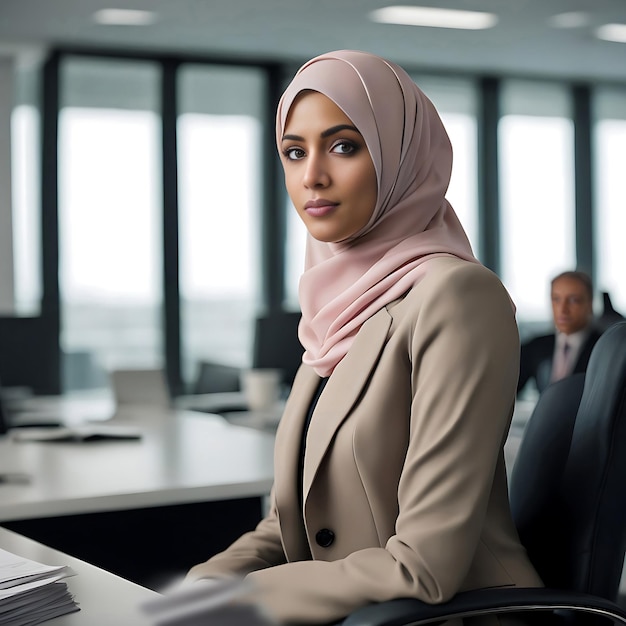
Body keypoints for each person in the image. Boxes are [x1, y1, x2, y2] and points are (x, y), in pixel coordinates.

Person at [186, 50, 542, 625]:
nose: (312, 177)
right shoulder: (332, 308)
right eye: (294, 152)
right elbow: (291, 521)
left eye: (345, 146)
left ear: (401, 156)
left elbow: (423, 566)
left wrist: (242, 600)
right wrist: (203, 585)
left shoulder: (457, 297)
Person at [517, 270, 602, 396]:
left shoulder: (605, 347)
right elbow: (508, 391)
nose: (563, 309)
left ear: (590, 304)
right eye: (556, 299)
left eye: (573, 300)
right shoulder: (535, 346)